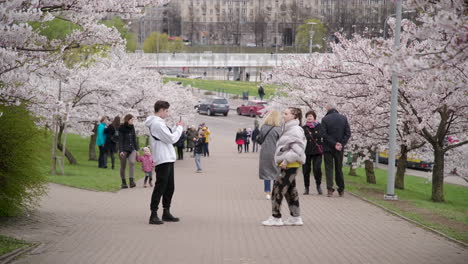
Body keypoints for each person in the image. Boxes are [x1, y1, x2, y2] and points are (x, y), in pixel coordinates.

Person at [262, 107, 306, 226]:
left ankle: (276, 217)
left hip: (289, 164)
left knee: (278, 189)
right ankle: (295, 217)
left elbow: (299, 150)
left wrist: (286, 160)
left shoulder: (295, 130)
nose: (283, 115)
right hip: (288, 164)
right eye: (284, 113)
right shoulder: (289, 128)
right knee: (291, 191)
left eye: (286, 114)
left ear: (294, 116)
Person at [146, 100, 184, 225]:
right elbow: (171, 138)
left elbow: (167, 135)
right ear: (161, 110)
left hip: (167, 157)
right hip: (163, 158)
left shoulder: (159, 123)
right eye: (166, 111)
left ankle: (166, 212)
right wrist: (179, 128)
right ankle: (153, 214)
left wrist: (175, 128)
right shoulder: (157, 123)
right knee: (160, 187)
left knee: (169, 187)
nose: (168, 113)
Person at [320, 103, 351, 197]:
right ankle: (341, 189)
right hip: (339, 148)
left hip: (328, 147)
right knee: (339, 168)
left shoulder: (325, 119)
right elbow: (348, 133)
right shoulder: (343, 118)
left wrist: (334, 144)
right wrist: (340, 143)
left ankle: (330, 189)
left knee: (329, 168)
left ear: (328, 108)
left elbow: (323, 134)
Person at [256, 110, 282, 200]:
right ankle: (275, 191)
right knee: (276, 171)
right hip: (275, 151)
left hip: (265, 151)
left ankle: (267, 192)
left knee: (266, 171)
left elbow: (259, 138)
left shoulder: (264, 127)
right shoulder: (279, 128)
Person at [302, 110, 324, 195]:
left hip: (317, 151)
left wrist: (311, 135)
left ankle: (318, 185)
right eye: (308, 116)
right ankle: (306, 187)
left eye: (311, 116)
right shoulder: (304, 128)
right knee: (306, 170)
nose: (309, 117)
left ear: (314, 117)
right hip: (306, 151)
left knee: (317, 169)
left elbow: (322, 136)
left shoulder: (320, 126)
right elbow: (302, 138)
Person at [119, 114, 139, 189]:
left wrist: (136, 150)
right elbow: (120, 140)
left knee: (132, 162)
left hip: (132, 148)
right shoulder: (121, 128)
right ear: (127, 120)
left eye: (133, 120)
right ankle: (123, 182)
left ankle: (131, 181)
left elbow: (134, 138)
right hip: (124, 149)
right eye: (131, 120)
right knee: (123, 166)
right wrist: (121, 150)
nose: (132, 121)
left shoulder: (132, 127)